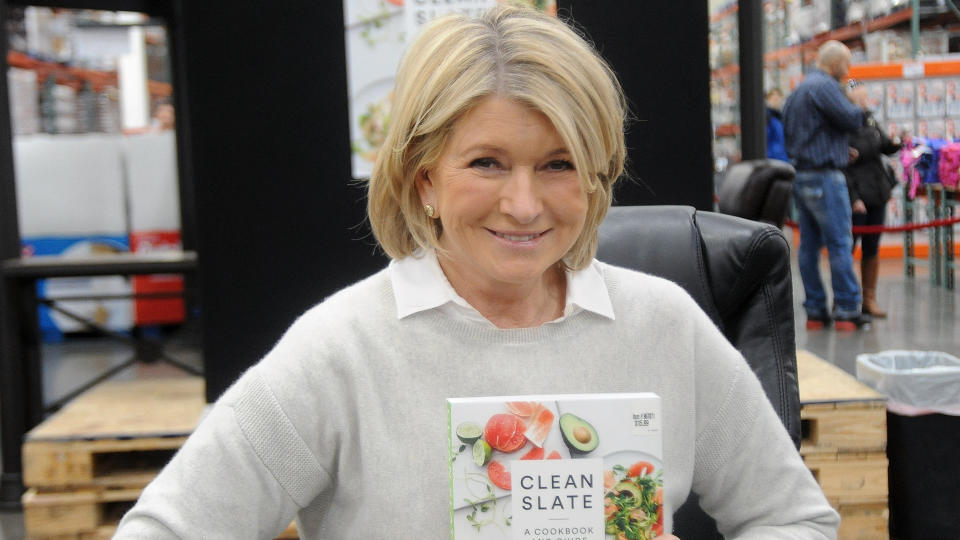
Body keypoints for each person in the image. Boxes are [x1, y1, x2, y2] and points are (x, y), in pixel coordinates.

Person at [114, 7, 839, 538]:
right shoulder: (343, 349)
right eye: (486, 163)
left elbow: (793, 517)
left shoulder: (665, 326)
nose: (523, 205)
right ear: (423, 178)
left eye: (557, 164)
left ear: (594, 177)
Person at [783, 40, 871, 331]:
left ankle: (815, 310)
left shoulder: (800, 90)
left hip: (802, 175)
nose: (848, 71)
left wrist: (834, 148)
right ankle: (847, 309)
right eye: (846, 64)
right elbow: (850, 119)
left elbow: (807, 132)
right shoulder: (825, 86)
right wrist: (860, 103)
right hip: (825, 179)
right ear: (835, 64)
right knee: (839, 244)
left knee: (808, 247)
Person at [844, 79, 902, 318]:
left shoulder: (868, 118)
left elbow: (884, 146)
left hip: (877, 191)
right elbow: (842, 164)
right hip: (857, 194)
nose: (865, 98)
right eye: (861, 94)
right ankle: (845, 299)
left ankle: (869, 298)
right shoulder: (843, 123)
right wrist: (853, 197)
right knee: (848, 247)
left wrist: (899, 142)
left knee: (872, 247)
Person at [765, 88, 789, 162]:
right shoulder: (767, 117)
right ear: (767, 100)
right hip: (772, 160)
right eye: (774, 98)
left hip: (782, 159)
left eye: (778, 98)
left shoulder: (779, 118)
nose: (777, 101)